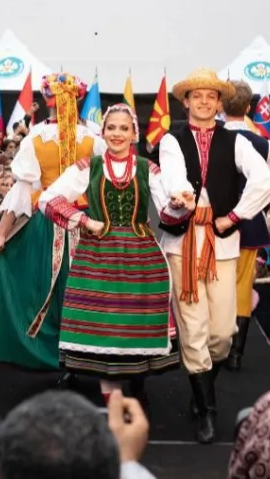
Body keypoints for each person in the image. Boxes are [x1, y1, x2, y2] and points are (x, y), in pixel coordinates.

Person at [38, 104, 185, 407]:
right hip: (98, 255)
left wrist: (178, 205)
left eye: (124, 128)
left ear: (134, 134)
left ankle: (137, 386)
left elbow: (167, 214)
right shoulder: (88, 166)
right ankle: (113, 402)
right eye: (111, 128)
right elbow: (48, 199)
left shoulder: (147, 169)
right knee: (103, 330)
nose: (117, 133)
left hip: (140, 256)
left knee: (134, 326)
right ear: (103, 132)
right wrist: (85, 220)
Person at [158, 68, 270, 443]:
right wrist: (181, 195)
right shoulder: (172, 139)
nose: (205, 101)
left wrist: (235, 216)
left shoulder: (235, 140)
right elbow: (173, 174)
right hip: (183, 241)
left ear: (220, 102)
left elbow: (264, 181)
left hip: (221, 242)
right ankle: (206, 408)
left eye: (211, 96)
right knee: (193, 329)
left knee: (223, 333)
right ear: (186, 101)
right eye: (198, 95)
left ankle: (202, 385)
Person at [0, 74, 107, 371]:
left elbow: (22, 189)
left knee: (43, 289)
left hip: (50, 221)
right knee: (85, 288)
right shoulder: (93, 138)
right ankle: (84, 351)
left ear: (47, 101)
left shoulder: (37, 138)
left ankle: (54, 351)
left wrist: (1, 234)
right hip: (83, 221)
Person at [219, 80, 270, 371]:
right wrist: (262, 200)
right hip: (248, 223)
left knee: (213, 282)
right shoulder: (260, 142)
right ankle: (235, 353)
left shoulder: (212, 138)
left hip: (214, 221)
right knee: (240, 285)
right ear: (249, 107)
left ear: (220, 104)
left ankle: (216, 344)